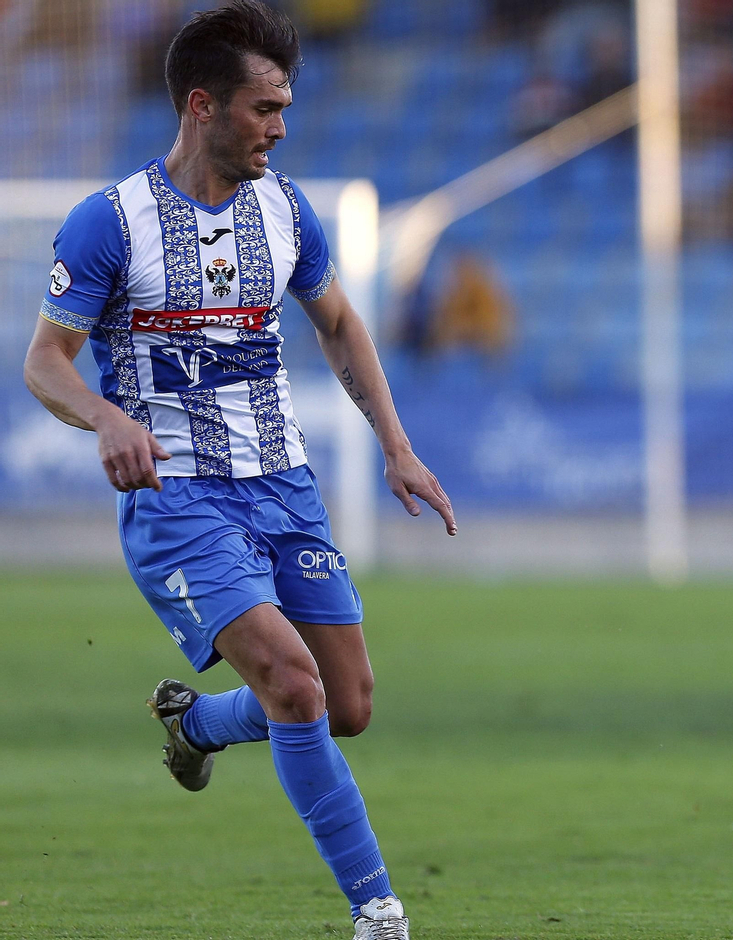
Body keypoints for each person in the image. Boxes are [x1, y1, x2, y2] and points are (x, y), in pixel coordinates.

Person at [21, 4, 453, 938]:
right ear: (201, 105)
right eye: (265, 108)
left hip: (283, 484)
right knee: (294, 687)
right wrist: (105, 418)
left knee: (347, 706)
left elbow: (338, 323)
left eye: (286, 107)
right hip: (177, 496)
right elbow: (45, 361)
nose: (281, 127)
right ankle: (379, 912)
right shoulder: (110, 223)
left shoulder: (287, 210)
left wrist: (397, 445)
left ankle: (201, 724)